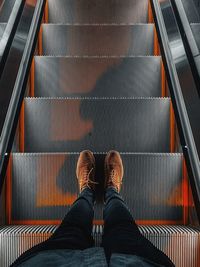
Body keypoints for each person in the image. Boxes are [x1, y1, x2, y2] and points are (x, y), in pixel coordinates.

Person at [12, 150, 175, 267]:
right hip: (138, 261)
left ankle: (87, 190)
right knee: (123, 229)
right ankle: (111, 190)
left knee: (71, 229)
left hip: (53, 259)